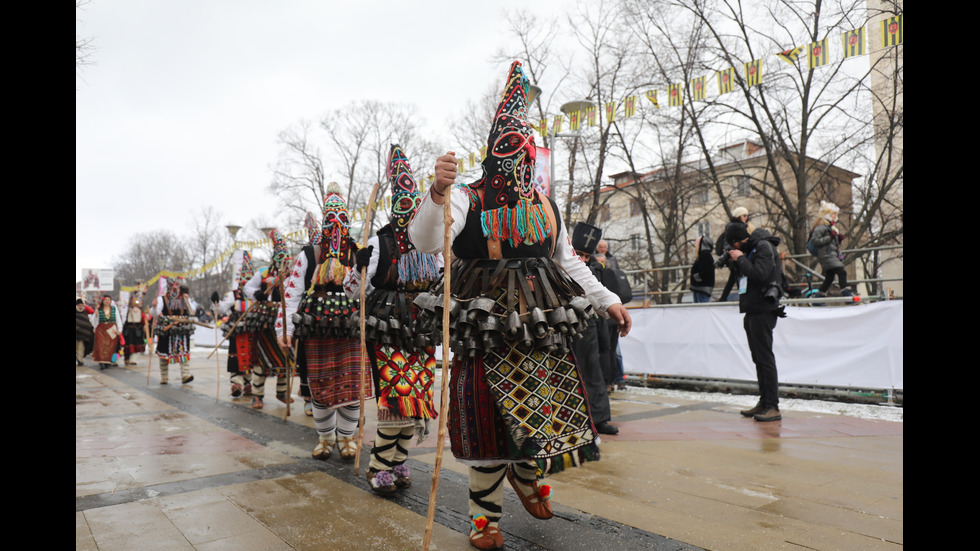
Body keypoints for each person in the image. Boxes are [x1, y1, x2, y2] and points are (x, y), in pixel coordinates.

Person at [408, 61, 632, 550]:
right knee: (484, 413)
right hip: (482, 324)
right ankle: (483, 518)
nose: (521, 160)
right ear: (492, 152)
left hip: (538, 321)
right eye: (511, 148)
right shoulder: (467, 197)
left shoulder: (546, 206)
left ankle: (526, 474)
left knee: (539, 406)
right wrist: (437, 192)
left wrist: (608, 299)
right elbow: (426, 240)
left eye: (527, 150)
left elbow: (568, 261)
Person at [342, 144, 442, 495]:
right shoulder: (378, 241)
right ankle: (379, 466)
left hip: (422, 330)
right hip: (386, 330)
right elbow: (352, 290)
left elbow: (444, 279)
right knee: (396, 397)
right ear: (392, 206)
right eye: (402, 204)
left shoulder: (433, 243)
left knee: (416, 399)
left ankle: (398, 461)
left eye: (413, 204)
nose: (409, 211)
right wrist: (358, 266)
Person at [280, 183, 366, 462]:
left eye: (342, 221)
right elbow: (291, 294)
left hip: (351, 329)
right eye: (331, 221)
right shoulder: (309, 254)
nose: (336, 227)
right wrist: (285, 330)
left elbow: (372, 290)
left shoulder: (359, 252)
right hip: (316, 329)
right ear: (324, 222)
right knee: (319, 387)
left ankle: (347, 439)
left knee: (352, 389)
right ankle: (325, 438)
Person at [726, 223, 786, 422]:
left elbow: (760, 274)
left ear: (738, 240)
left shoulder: (763, 247)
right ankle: (764, 401)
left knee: (765, 358)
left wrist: (741, 259)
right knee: (758, 358)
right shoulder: (752, 249)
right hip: (753, 308)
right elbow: (746, 276)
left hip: (764, 309)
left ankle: (772, 406)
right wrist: (736, 262)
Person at [571, 222, 618, 436]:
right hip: (563, 326)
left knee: (593, 370)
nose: (582, 260)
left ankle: (598, 419)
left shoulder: (593, 273)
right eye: (578, 254)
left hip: (588, 325)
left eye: (586, 257)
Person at [243, 229, 295, 410]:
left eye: (286, 260)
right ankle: (257, 396)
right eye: (280, 260)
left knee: (285, 355)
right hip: (265, 319)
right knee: (262, 359)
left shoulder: (293, 276)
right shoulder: (263, 273)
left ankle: (282, 391)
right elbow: (247, 288)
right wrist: (258, 293)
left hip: (284, 319)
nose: (283, 263)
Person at [215, 251, 257, 398]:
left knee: (251, 356)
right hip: (237, 330)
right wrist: (216, 301)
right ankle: (236, 382)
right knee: (236, 355)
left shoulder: (256, 294)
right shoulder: (234, 295)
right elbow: (222, 309)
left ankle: (248, 383)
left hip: (252, 329)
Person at [152, 277, 195, 384]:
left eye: (176, 286)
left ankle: (185, 374)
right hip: (167, 329)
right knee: (164, 352)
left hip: (181, 329)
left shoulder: (184, 298)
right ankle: (164, 376)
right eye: (172, 286)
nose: (174, 288)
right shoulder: (162, 299)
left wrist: (187, 301)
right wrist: (154, 306)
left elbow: (192, 311)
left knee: (183, 350)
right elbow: (155, 313)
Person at [809, 201, 851, 297]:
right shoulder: (821, 227)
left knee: (830, 277)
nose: (835, 216)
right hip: (826, 255)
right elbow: (816, 241)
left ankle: (819, 296)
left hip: (830, 254)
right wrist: (831, 237)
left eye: (835, 214)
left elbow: (831, 244)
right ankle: (846, 293)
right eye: (833, 214)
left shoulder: (830, 227)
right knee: (841, 271)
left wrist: (838, 239)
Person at [716, 207, 754, 302]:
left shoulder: (733, 226)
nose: (746, 217)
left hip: (734, 255)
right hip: (735, 256)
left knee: (734, 278)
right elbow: (729, 241)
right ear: (739, 216)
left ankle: (725, 297)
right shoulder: (737, 227)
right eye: (744, 215)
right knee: (738, 277)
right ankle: (741, 297)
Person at [91, 295, 123, 370]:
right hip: (101, 329)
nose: (107, 301)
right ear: (103, 301)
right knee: (101, 345)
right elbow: (94, 320)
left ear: (110, 301)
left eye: (108, 300)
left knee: (110, 345)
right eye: (105, 300)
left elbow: (118, 318)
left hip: (111, 328)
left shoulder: (114, 309)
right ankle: (102, 362)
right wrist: (95, 325)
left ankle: (107, 361)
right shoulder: (99, 309)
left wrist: (120, 329)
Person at [121, 284, 149, 366]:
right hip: (129, 330)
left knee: (136, 346)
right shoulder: (128, 310)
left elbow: (143, 321)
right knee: (128, 345)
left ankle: (133, 359)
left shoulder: (141, 312)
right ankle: (127, 359)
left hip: (137, 330)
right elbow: (124, 319)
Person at [690, 235, 715, 303]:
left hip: (702, 287)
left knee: (702, 308)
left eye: (697, 244)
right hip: (700, 287)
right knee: (699, 308)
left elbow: (706, 271)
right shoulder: (703, 255)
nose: (695, 246)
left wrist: (696, 277)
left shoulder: (705, 256)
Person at [76, 297, 95, 366]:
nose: (80, 307)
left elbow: (87, 323)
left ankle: (80, 360)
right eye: (79, 305)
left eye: (81, 305)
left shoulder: (84, 313)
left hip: (82, 335)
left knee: (81, 347)